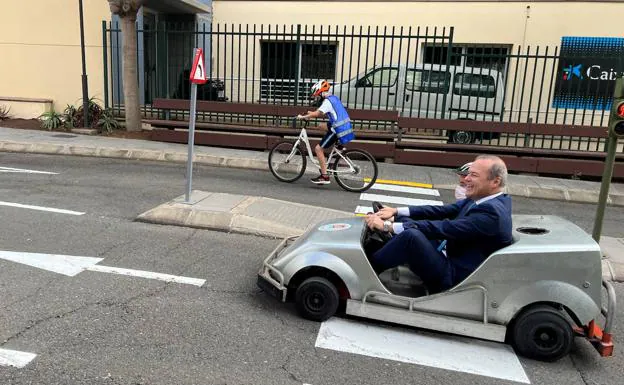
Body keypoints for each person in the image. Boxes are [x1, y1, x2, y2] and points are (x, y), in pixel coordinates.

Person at [364, 155, 513, 293]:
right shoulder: (485, 199)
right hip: (451, 253)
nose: (466, 179)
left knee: (411, 236)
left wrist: (386, 227)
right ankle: (385, 252)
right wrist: (396, 211)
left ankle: (364, 271)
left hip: (455, 276)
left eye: (473, 175)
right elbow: (441, 211)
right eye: (468, 173)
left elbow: (444, 228)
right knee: (406, 222)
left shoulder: (492, 213)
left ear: (495, 181)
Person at [296, 80, 355, 185]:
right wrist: (311, 113)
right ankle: (336, 150)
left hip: (337, 129)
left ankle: (324, 176)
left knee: (318, 149)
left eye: (317, 95)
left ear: (322, 93)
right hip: (343, 126)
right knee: (320, 126)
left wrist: (303, 117)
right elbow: (321, 112)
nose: (317, 98)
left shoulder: (327, 102)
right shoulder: (333, 98)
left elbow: (318, 113)